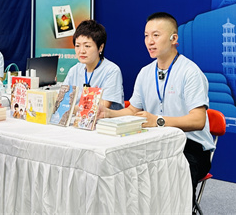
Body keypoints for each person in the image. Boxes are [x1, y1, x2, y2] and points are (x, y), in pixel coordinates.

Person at [99, 12, 214, 206]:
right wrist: (108, 113)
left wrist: (158, 121)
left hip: (190, 146)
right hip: (155, 143)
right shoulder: (145, 73)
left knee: (175, 180)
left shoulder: (190, 72)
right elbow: (133, 110)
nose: (149, 41)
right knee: (124, 168)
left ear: (174, 39)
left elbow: (198, 120)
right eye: (146, 36)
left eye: (156, 35)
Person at [61, 20, 124, 110]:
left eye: (87, 46)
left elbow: (103, 105)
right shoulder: (74, 70)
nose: (81, 51)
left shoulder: (111, 70)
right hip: (76, 118)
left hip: (102, 118)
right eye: (77, 45)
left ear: (100, 47)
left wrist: (72, 110)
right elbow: (62, 101)